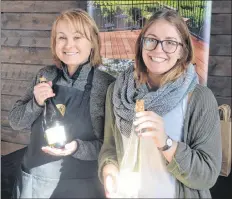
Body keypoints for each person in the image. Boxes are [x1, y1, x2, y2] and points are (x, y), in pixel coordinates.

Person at [98, 9, 222, 198]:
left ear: (182, 50)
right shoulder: (117, 92)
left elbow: (207, 175)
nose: (158, 49)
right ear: (141, 45)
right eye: (151, 40)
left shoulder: (199, 98)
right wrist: (109, 171)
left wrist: (165, 142)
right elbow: (110, 148)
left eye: (170, 43)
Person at [8, 8, 115, 198]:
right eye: (62, 37)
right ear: (54, 43)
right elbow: (16, 121)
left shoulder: (105, 85)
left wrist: (77, 148)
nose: (69, 45)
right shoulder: (45, 75)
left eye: (77, 37)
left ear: (93, 42)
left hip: (83, 187)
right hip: (36, 184)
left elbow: (110, 147)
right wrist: (36, 102)